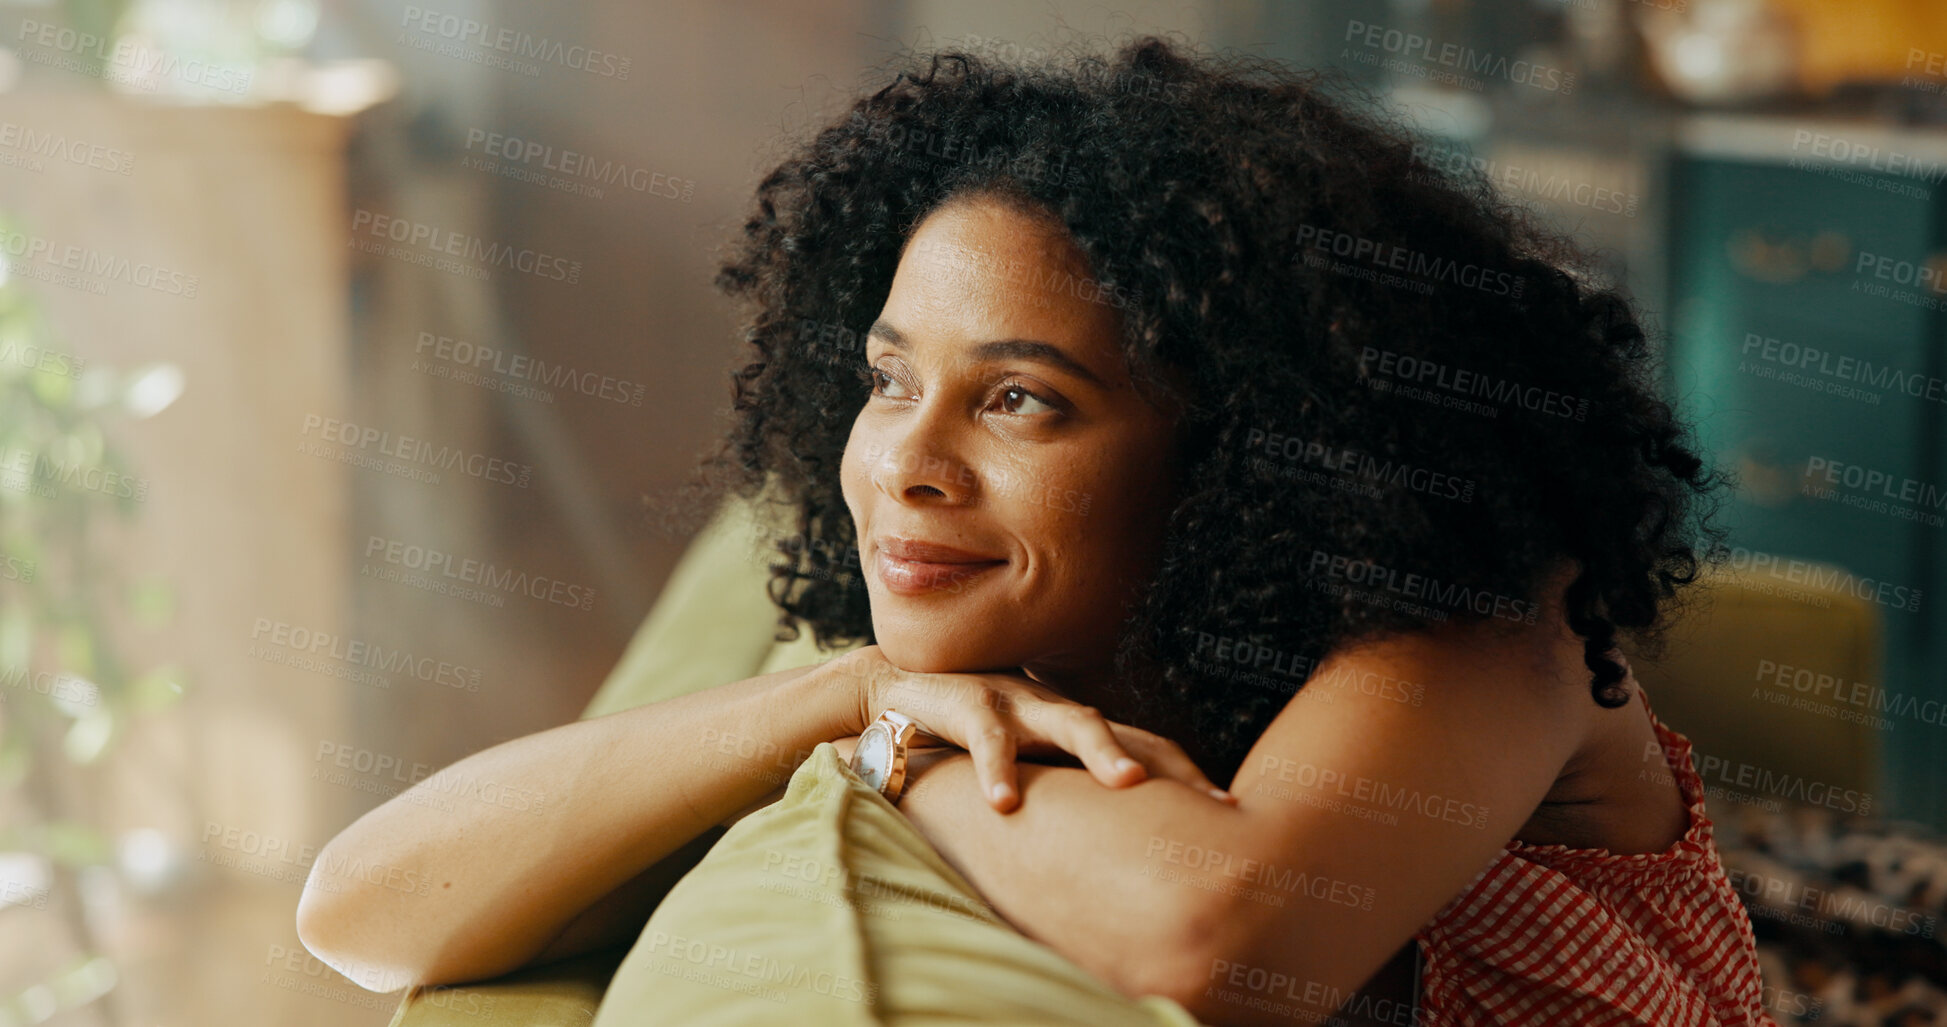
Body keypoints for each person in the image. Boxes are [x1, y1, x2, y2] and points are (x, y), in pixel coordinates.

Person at [298, 36, 1778, 1026]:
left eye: (1020, 400)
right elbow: (361, 914)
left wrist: (890, 756)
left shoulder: (1488, 630)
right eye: (888, 381)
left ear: (1247, 447)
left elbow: (1228, 939)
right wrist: (845, 696)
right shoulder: (995, 655)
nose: (905, 466)